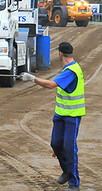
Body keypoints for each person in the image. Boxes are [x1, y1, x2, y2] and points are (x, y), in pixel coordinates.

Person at [19, 42, 85, 191]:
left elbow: (50, 85)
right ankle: (67, 171)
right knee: (56, 144)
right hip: (60, 114)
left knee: (69, 148)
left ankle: (74, 184)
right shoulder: (69, 68)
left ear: (60, 53)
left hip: (72, 116)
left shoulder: (71, 71)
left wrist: (32, 79)